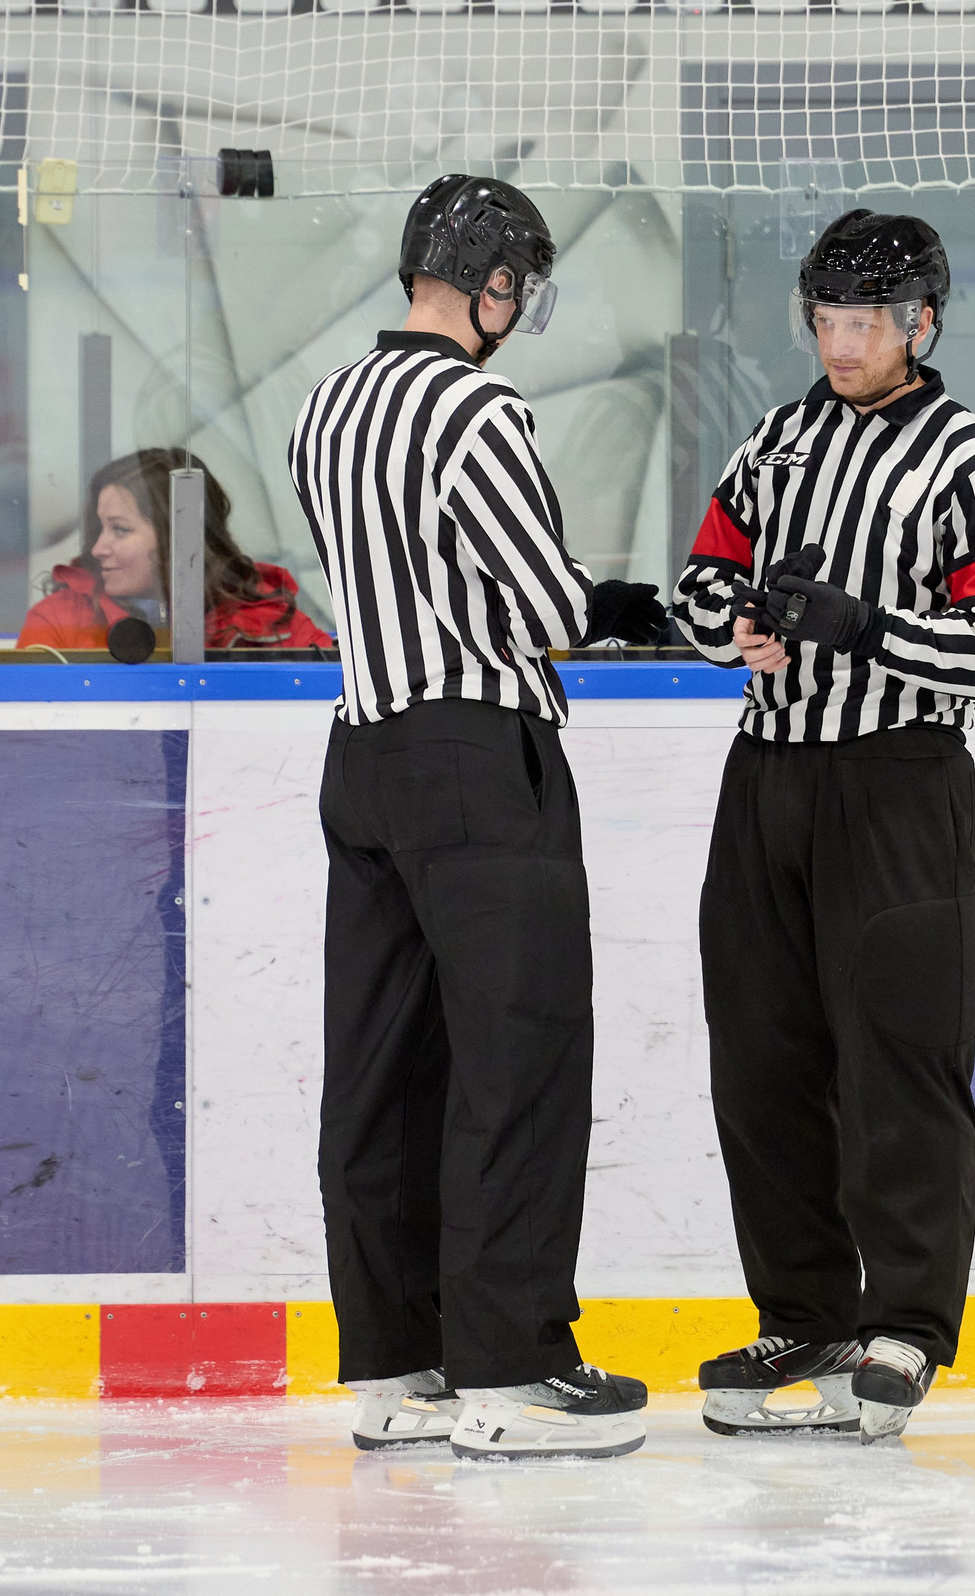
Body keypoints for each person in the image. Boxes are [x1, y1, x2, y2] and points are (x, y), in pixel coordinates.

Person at [288, 173, 669, 1462]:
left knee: (383, 1069)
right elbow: (545, 604)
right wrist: (649, 607)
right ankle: (510, 1369)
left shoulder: (328, 402)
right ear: (497, 284)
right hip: (472, 751)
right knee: (518, 1060)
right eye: (519, 288)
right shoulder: (476, 404)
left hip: (363, 752)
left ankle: (394, 1368)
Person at [673, 210, 975, 1443]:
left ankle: (907, 1319)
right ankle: (803, 1307)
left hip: (896, 780)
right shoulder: (777, 441)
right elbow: (698, 574)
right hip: (767, 776)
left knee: (899, 1053)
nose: (839, 345)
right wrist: (737, 625)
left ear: (921, 324)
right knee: (763, 1056)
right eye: (825, 321)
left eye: (863, 324)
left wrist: (862, 625)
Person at [18, 450, 334, 653]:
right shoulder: (58, 621)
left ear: (178, 538)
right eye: (100, 529)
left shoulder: (272, 621)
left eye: (120, 529)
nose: (99, 548)